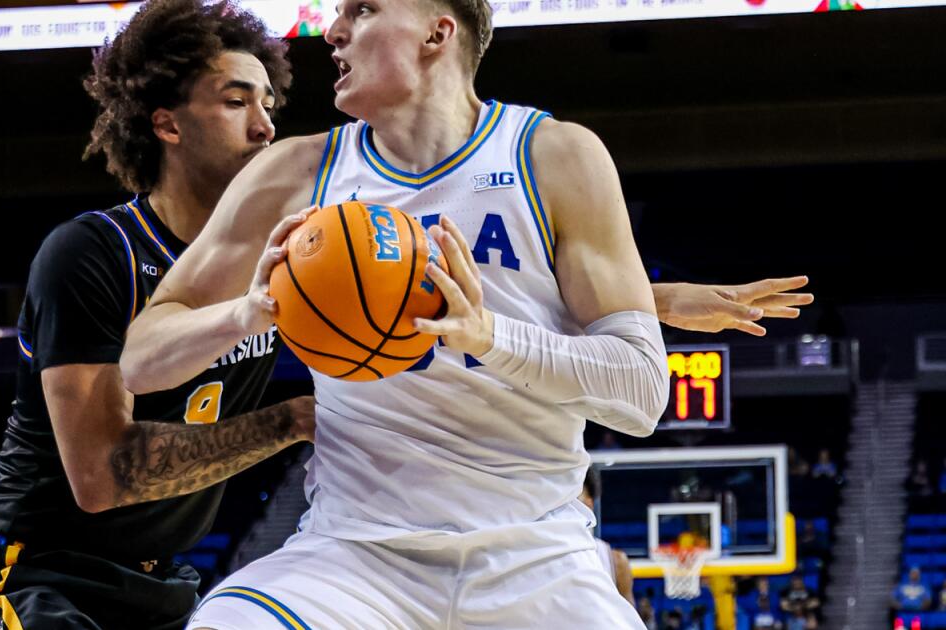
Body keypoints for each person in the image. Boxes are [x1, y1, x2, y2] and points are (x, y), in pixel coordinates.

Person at [121, 2, 809, 627]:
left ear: (435, 32)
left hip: (537, 558)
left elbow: (639, 392)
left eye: (361, 11)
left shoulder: (553, 156)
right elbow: (143, 357)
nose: (332, 31)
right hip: (355, 556)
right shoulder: (294, 175)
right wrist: (245, 313)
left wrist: (491, 339)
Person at [0, 2, 314, 629]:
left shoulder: (287, 255)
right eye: (235, 101)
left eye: (268, 105)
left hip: (162, 583)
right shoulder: (91, 252)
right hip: (34, 573)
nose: (264, 129)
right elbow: (102, 476)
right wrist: (292, 421)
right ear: (167, 125)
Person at [580, 467, 634, 603]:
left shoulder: (616, 562)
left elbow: (628, 621)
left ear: (589, 503)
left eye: (573, 495)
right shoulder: (541, 554)